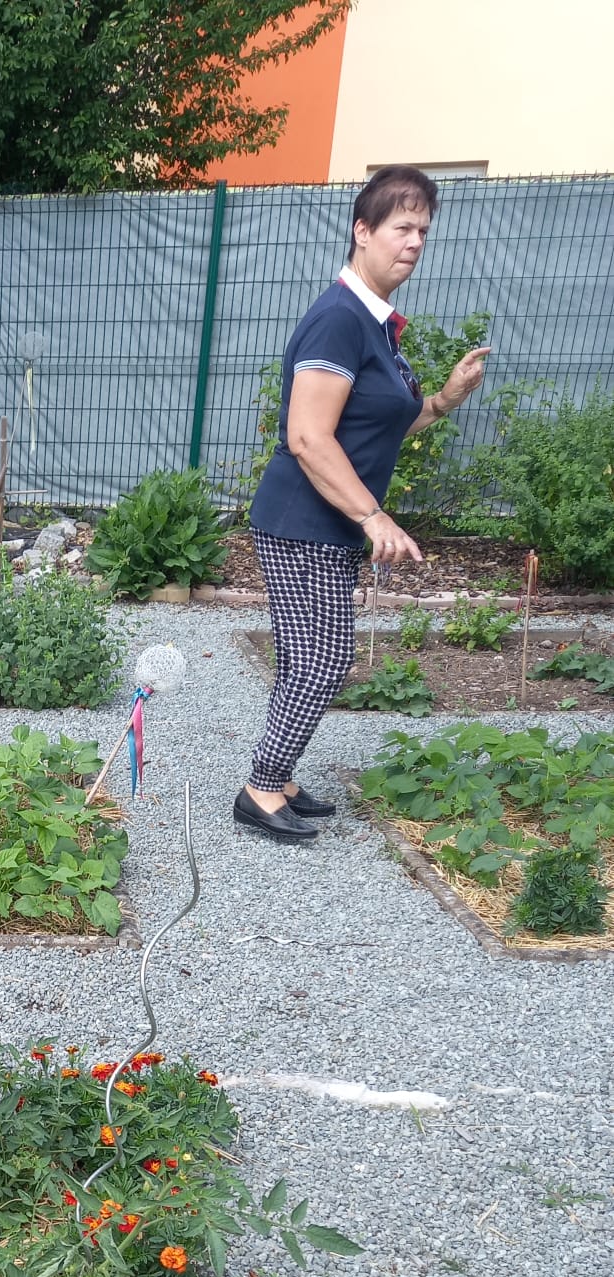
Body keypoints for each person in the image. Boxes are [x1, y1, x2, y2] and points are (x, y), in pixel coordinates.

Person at [238, 166, 492, 843]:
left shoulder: (375, 324)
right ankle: (261, 787)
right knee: (324, 660)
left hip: (325, 523)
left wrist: (441, 402)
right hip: (304, 521)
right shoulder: (338, 320)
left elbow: (374, 422)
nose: (414, 242)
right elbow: (307, 436)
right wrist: (372, 515)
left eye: (423, 231)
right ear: (362, 230)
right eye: (401, 227)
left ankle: (280, 778)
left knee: (304, 658)